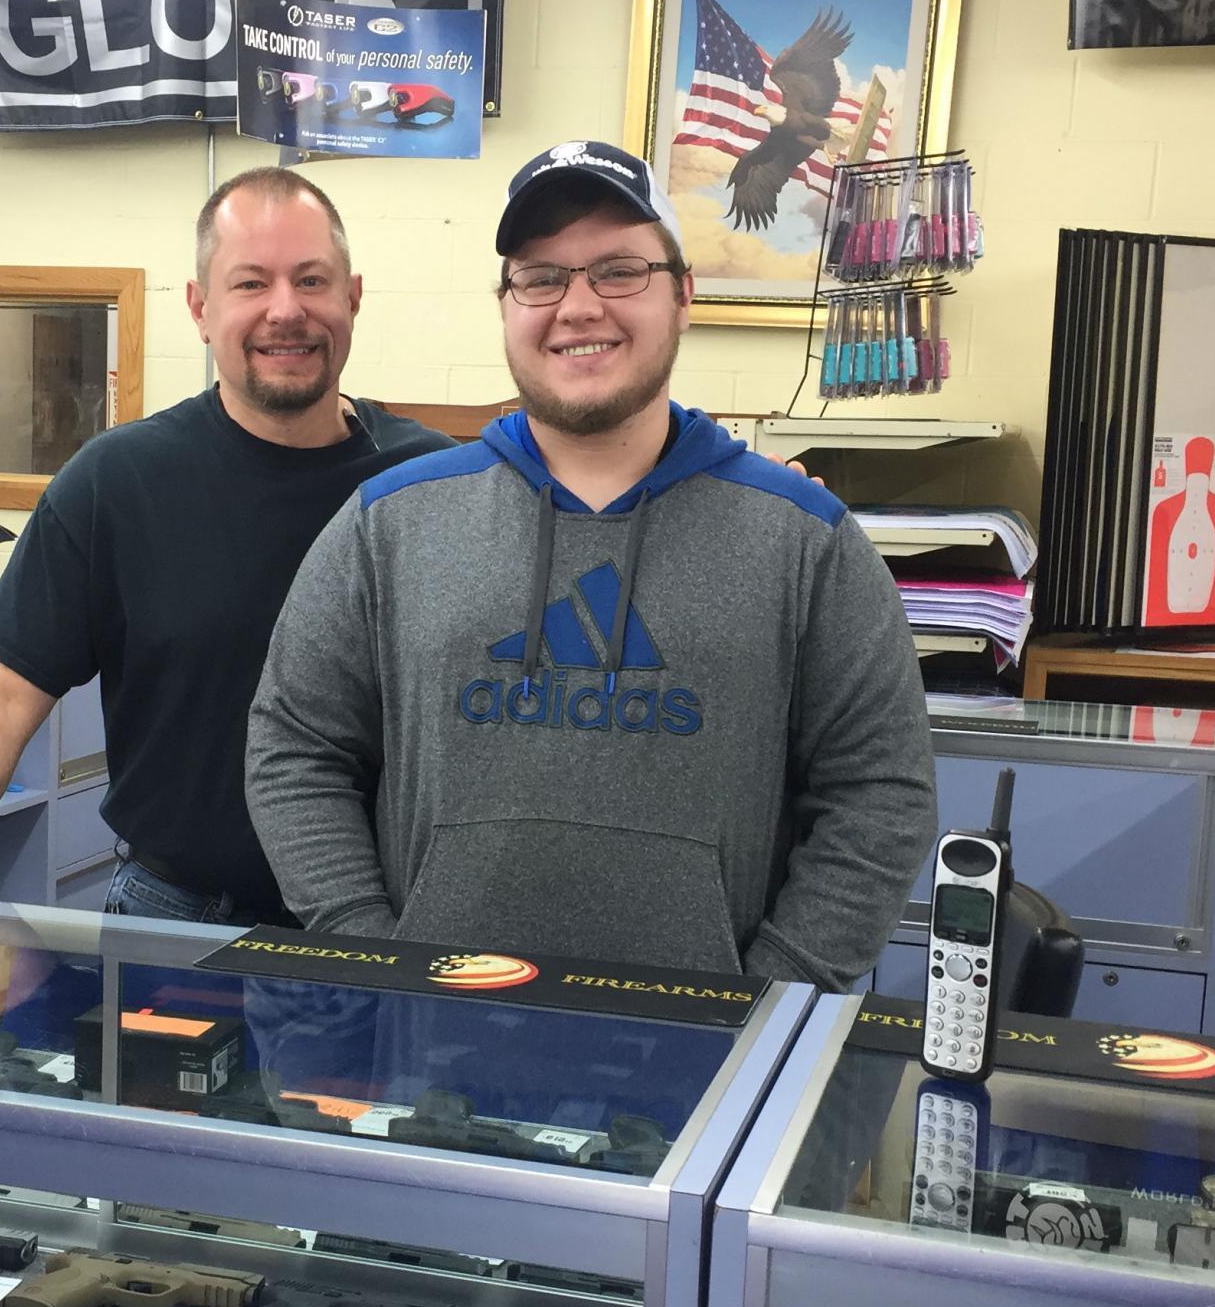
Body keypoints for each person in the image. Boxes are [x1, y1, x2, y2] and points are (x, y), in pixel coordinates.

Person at [245, 140, 936, 988]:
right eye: (543, 277)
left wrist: (774, 991)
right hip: (432, 1044)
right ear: (506, 304)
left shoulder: (805, 540)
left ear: (684, 294)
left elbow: (881, 793)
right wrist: (370, 947)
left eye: (619, 270)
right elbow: (293, 745)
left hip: (713, 1064)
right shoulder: (390, 524)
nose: (578, 306)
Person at [0, 167, 454, 922]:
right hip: (179, 918)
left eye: (311, 280)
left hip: (387, 924)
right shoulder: (119, 482)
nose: (284, 311)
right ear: (199, 308)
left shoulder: (428, 486)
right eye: (251, 283)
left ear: (352, 296)